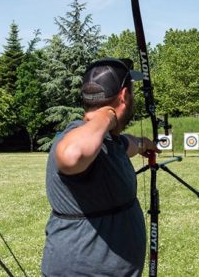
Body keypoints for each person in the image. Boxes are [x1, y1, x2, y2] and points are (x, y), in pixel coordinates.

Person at [41, 57, 160, 276]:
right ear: (124, 96)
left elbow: (128, 145)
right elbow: (71, 155)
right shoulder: (76, 136)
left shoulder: (107, 141)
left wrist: (144, 144)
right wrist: (109, 114)